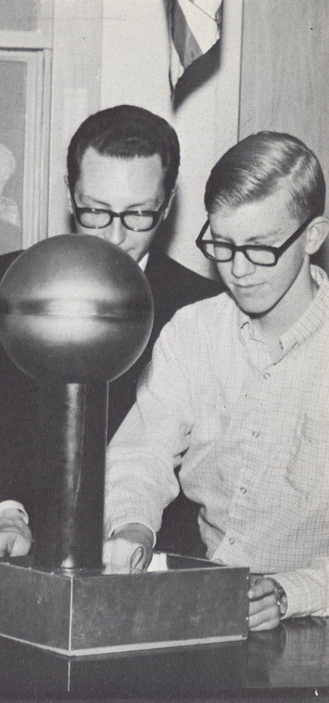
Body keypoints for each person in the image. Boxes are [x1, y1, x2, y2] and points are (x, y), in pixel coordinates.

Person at [0, 105, 222, 559]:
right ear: (69, 194)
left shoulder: (203, 308)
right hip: (33, 550)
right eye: (95, 211)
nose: (114, 236)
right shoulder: (19, 280)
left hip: (151, 561)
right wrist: (4, 515)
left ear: (168, 204)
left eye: (138, 214)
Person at [103, 131, 329, 631]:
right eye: (222, 245)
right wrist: (132, 526)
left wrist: (293, 592)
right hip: (209, 602)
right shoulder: (193, 332)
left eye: (261, 248)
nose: (238, 270)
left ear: (313, 236)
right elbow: (141, 453)